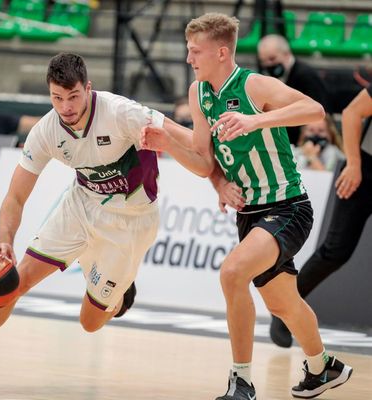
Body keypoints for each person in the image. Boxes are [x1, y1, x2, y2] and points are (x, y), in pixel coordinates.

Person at [0, 53, 211, 385]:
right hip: (81, 206)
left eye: (73, 96)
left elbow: (193, 141)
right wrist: (4, 241)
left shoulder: (122, 113)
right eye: (57, 98)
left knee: (90, 322)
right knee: (15, 281)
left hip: (130, 223)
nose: (66, 107)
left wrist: (216, 167)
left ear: (87, 88)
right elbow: (15, 197)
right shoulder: (47, 130)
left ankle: (118, 295)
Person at [140, 13, 352, 400]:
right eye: (188, 50)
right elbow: (204, 160)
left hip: (287, 205)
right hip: (250, 212)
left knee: (233, 273)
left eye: (195, 51)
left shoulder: (254, 85)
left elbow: (315, 110)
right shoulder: (198, 93)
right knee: (282, 302)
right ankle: (322, 367)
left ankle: (241, 382)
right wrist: (173, 147)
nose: (189, 58)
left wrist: (257, 120)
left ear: (221, 53)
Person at [270, 84, 372, 348]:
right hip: (364, 170)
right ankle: (284, 310)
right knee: (336, 251)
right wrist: (354, 164)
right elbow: (352, 113)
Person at [258, 34, 331, 145]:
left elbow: (319, 112)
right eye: (264, 61)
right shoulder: (270, 78)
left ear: (286, 54)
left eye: (272, 59)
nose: (268, 65)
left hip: (306, 141)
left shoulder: (306, 76)